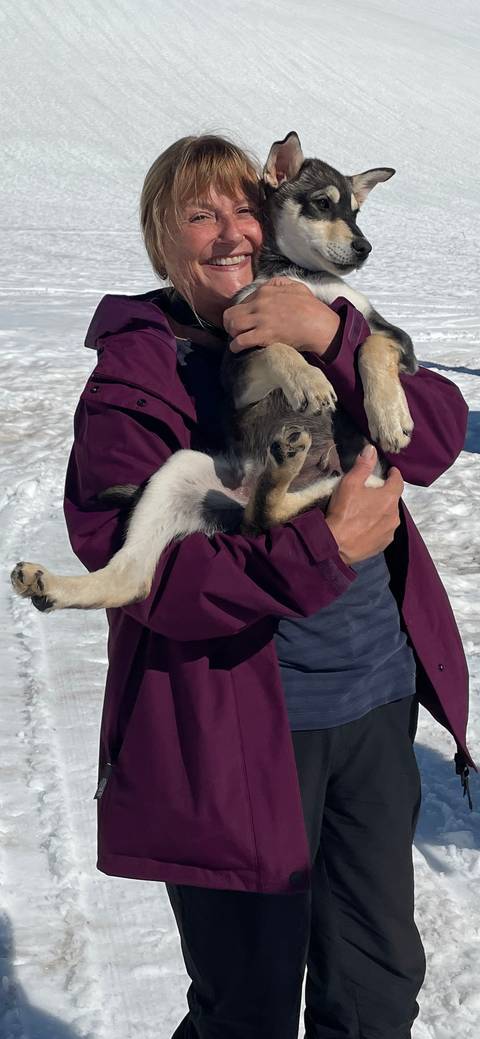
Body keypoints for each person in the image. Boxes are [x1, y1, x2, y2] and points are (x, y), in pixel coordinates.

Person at [64, 134, 472, 1039]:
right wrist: (320, 552)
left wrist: (332, 337)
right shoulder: (138, 375)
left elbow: (435, 438)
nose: (228, 234)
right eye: (197, 216)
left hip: (372, 700)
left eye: (242, 208)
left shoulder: (326, 316)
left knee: (375, 988)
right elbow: (148, 576)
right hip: (236, 732)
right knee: (244, 1009)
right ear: (161, 242)